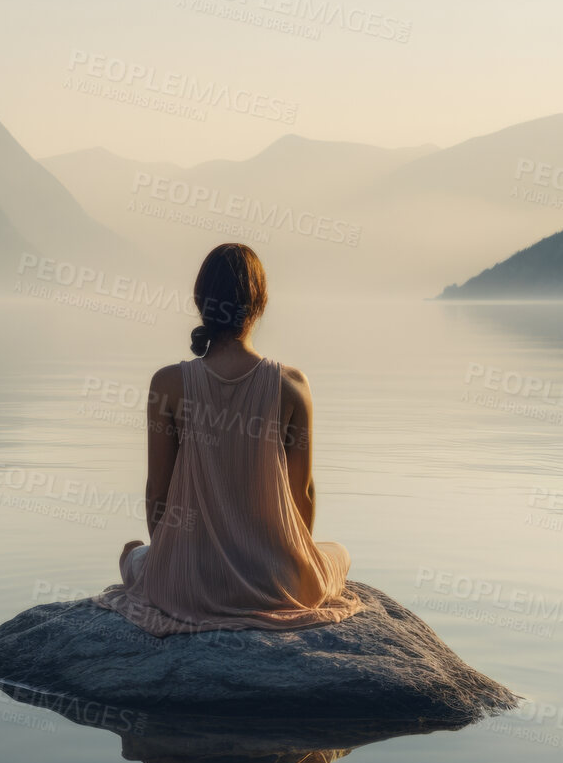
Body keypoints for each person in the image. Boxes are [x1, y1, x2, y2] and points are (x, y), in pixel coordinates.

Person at [93, 243, 363, 636]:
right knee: (339, 553)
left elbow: (158, 493)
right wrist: (293, 559)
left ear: (200, 301)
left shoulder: (168, 384)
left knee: (131, 552)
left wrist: (174, 563)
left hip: (184, 585)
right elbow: (302, 492)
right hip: (275, 584)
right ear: (260, 304)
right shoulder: (292, 385)